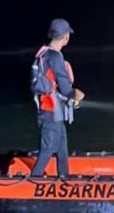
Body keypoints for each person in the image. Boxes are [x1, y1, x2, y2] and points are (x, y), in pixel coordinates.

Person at [30, 18, 85, 177]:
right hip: (50, 110)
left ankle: (64, 178)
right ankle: (34, 179)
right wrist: (76, 94)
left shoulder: (43, 53)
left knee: (62, 148)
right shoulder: (55, 57)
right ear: (66, 37)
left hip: (51, 109)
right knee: (47, 149)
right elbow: (65, 87)